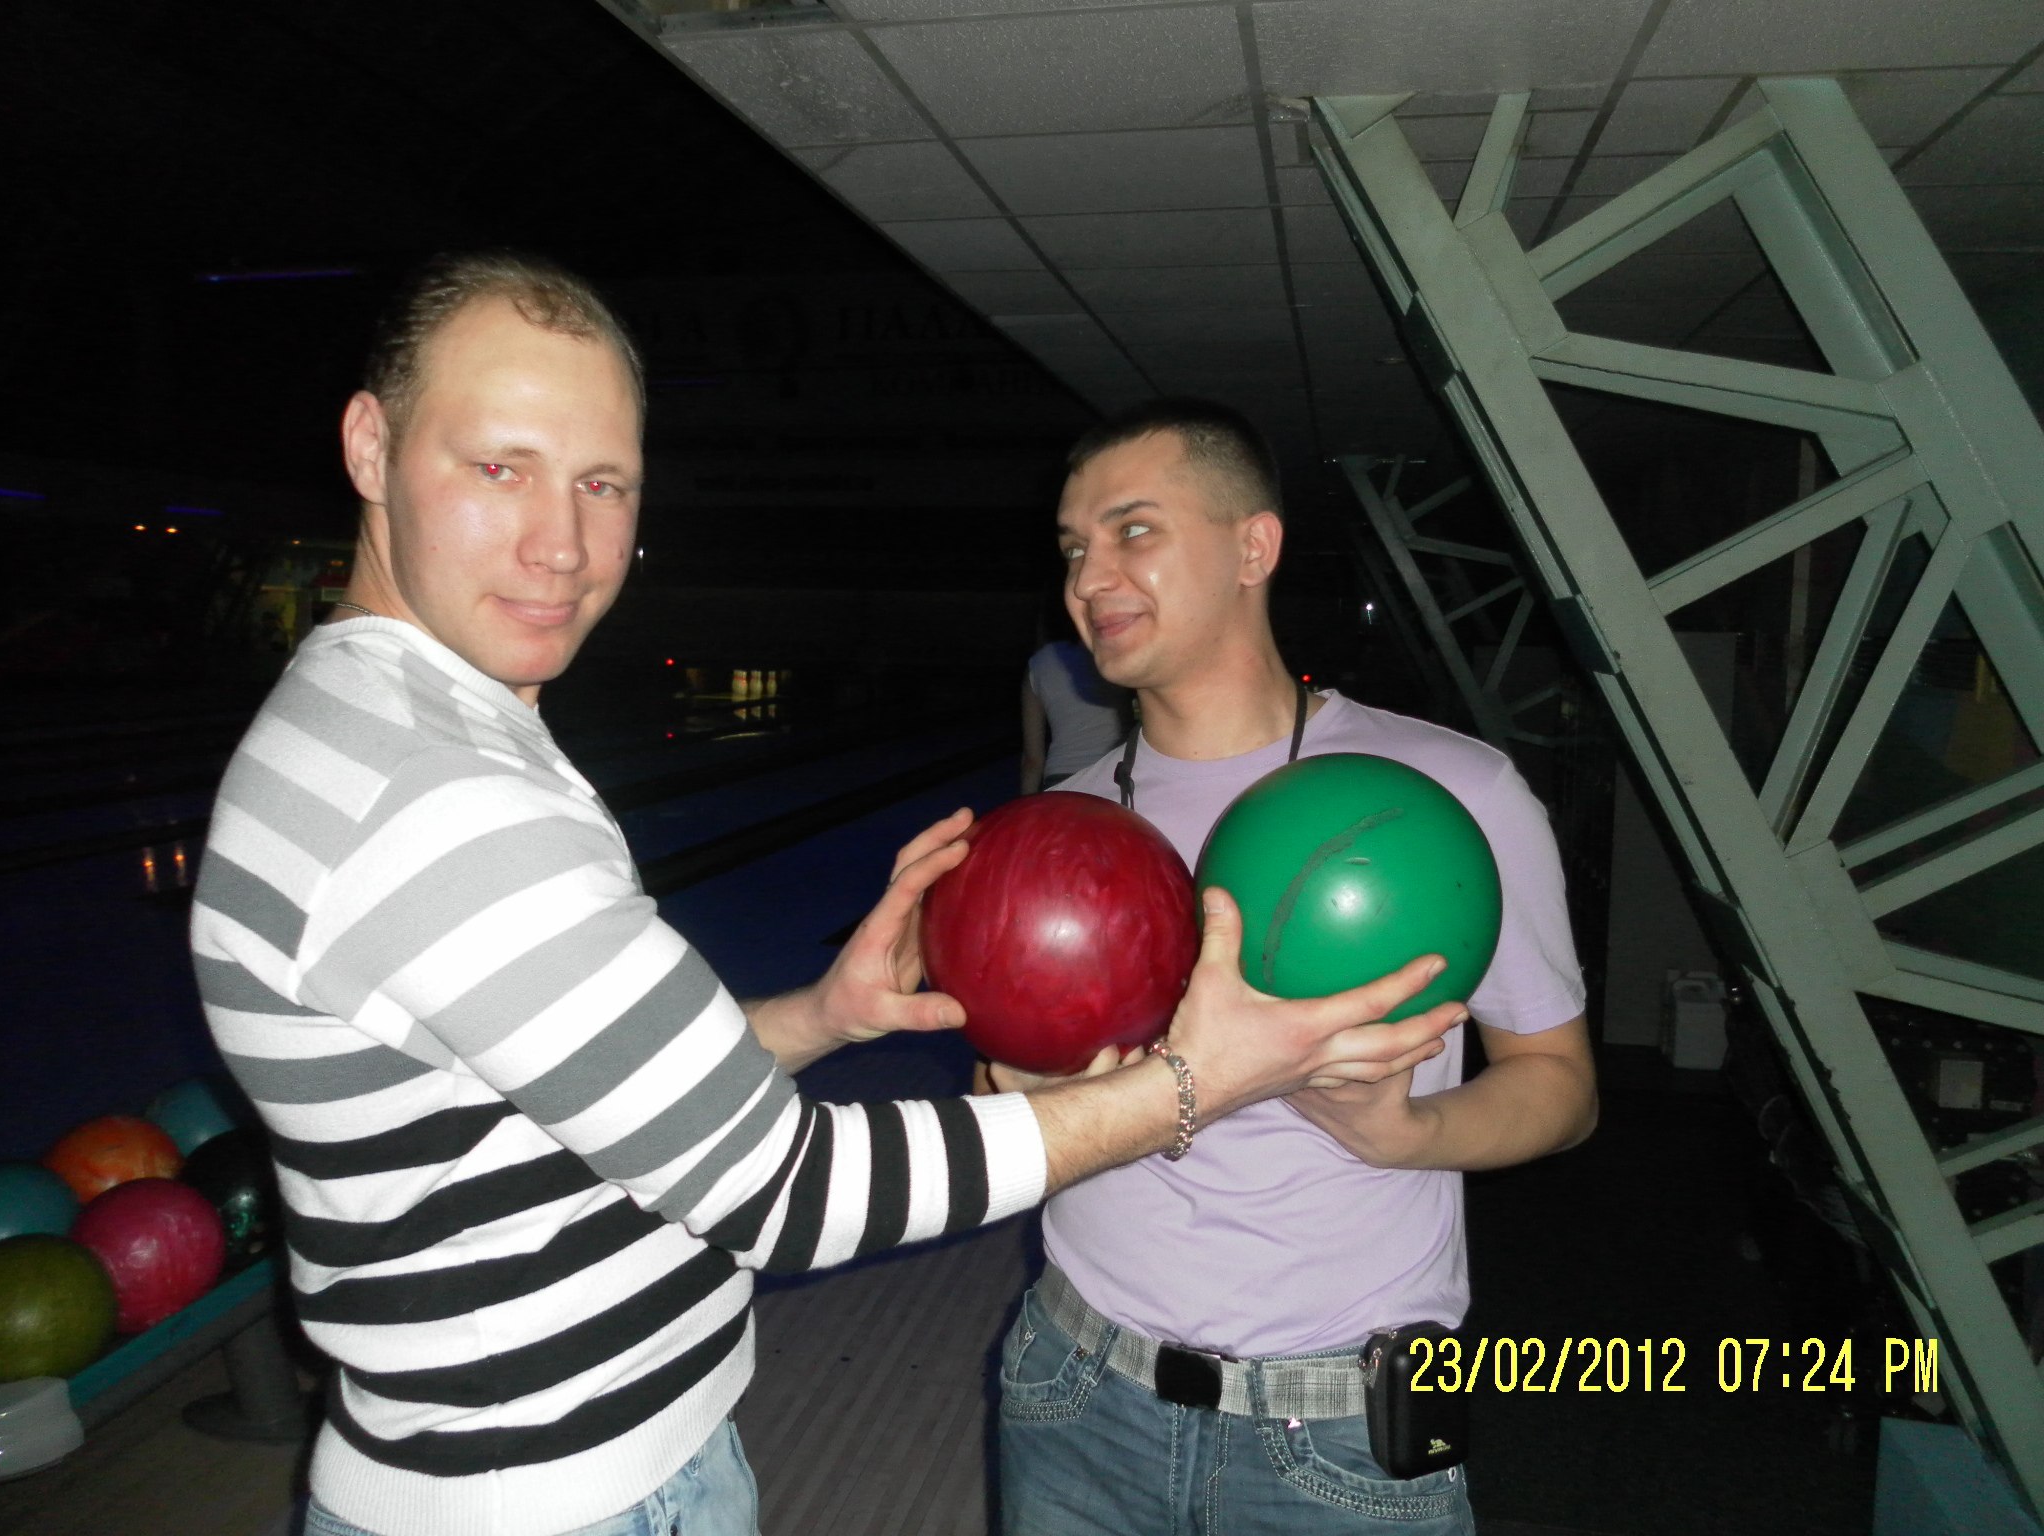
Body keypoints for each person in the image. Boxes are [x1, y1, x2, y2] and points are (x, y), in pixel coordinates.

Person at [189, 257, 1474, 1536]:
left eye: (602, 483)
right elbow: (784, 1193)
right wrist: (1195, 1083)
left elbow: (586, 1095)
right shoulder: (432, 791)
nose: (561, 545)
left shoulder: (396, 731)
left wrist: (823, 1017)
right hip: (545, 1503)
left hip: (549, 1474)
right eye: (497, 466)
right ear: (371, 447)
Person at [992, 399, 1598, 1535]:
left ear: (1252, 548)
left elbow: (1559, 1086)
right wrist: (1014, 1092)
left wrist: (1402, 1132)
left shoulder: (1450, 797)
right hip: (1075, 1389)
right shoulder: (1061, 832)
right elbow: (1011, 1099)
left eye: (1132, 531)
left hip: (1340, 1430)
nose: (1088, 578)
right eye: (1072, 548)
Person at [1019, 587, 1129, 793]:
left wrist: (1026, 807)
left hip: (1061, 783)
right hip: (1112, 777)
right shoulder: (1114, 654)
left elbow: (1033, 761)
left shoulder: (1038, 664)